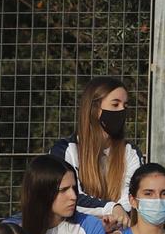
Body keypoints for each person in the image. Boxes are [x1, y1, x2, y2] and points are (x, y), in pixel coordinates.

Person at [53, 76, 142, 225]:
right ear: (94, 109)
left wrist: (116, 216)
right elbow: (70, 197)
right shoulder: (65, 150)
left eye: (125, 106)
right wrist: (111, 208)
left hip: (119, 229)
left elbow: (133, 195)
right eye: (115, 104)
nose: (122, 110)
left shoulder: (130, 152)